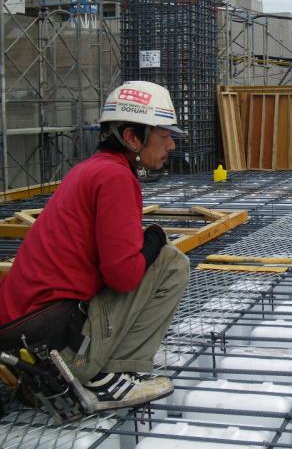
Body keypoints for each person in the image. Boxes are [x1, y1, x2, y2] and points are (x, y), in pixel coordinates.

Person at [0, 81, 190, 411]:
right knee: (171, 263)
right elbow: (123, 277)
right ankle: (106, 377)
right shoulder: (115, 178)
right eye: (164, 135)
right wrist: (154, 241)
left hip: (24, 345)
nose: (171, 145)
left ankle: (88, 372)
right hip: (53, 347)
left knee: (151, 253)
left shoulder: (91, 169)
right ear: (132, 137)